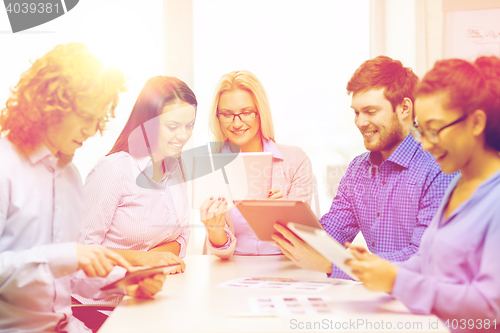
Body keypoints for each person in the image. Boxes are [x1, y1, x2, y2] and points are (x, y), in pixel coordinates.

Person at [0, 43, 165, 332]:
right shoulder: (6, 166)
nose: (92, 131)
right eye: (86, 117)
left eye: (98, 119)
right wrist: (66, 255)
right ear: (51, 105)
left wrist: (122, 281)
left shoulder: (69, 176)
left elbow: (67, 274)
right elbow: (58, 261)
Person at [344, 56, 500, 327]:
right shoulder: (458, 184)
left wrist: (396, 280)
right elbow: (428, 262)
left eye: (435, 130)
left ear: (476, 123)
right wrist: (377, 270)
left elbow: (490, 308)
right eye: (422, 132)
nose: (425, 146)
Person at [273, 56, 454, 279]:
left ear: (405, 108)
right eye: (356, 112)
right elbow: (331, 233)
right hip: (377, 297)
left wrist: (333, 265)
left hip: (424, 305)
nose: (360, 122)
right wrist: (287, 215)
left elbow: (424, 258)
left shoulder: (440, 167)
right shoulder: (358, 169)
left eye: (370, 111)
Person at [80, 76, 196, 265]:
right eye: (173, 126)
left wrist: (154, 259)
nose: (183, 135)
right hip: (106, 293)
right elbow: (83, 248)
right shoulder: (114, 169)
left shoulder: (176, 169)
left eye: (189, 125)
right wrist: (144, 258)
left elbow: (182, 239)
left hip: (150, 290)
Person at [201, 70, 314, 258]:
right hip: (229, 269)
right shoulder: (211, 166)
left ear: (260, 113)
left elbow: (302, 236)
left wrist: (279, 215)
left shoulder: (295, 160)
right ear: (217, 117)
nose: (237, 123)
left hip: (284, 269)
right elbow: (219, 249)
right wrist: (215, 231)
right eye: (227, 114)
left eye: (245, 112)